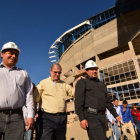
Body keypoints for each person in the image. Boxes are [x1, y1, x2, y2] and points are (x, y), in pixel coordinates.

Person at [75, 60, 121, 140]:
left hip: (103, 117)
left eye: (95, 69)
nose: (95, 71)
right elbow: (78, 102)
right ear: (86, 71)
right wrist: (82, 118)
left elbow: (108, 102)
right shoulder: (82, 82)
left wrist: (116, 115)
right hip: (91, 117)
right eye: (92, 69)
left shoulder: (102, 84)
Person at [0, 42, 34, 140]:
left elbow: (29, 95)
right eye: (11, 53)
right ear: (2, 54)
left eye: (16, 54)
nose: (14, 56)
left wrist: (30, 116)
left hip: (16, 118)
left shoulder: (23, 73)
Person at [34, 63, 74, 140]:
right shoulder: (43, 83)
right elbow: (35, 99)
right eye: (55, 72)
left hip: (62, 118)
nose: (57, 74)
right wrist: (35, 112)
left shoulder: (64, 84)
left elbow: (73, 92)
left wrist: (78, 81)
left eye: (59, 72)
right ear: (50, 71)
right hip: (47, 118)